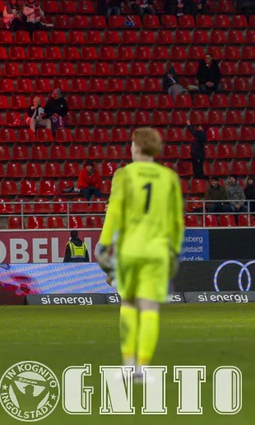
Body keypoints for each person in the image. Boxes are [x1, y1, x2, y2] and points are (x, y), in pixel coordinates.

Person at [95, 127, 184, 380]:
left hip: (129, 249)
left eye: (132, 144)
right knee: (149, 309)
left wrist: (102, 245)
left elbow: (113, 212)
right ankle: (142, 368)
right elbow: (176, 221)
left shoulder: (123, 175)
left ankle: (128, 364)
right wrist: (174, 251)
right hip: (156, 250)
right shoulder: (168, 177)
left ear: (136, 147)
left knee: (129, 305)